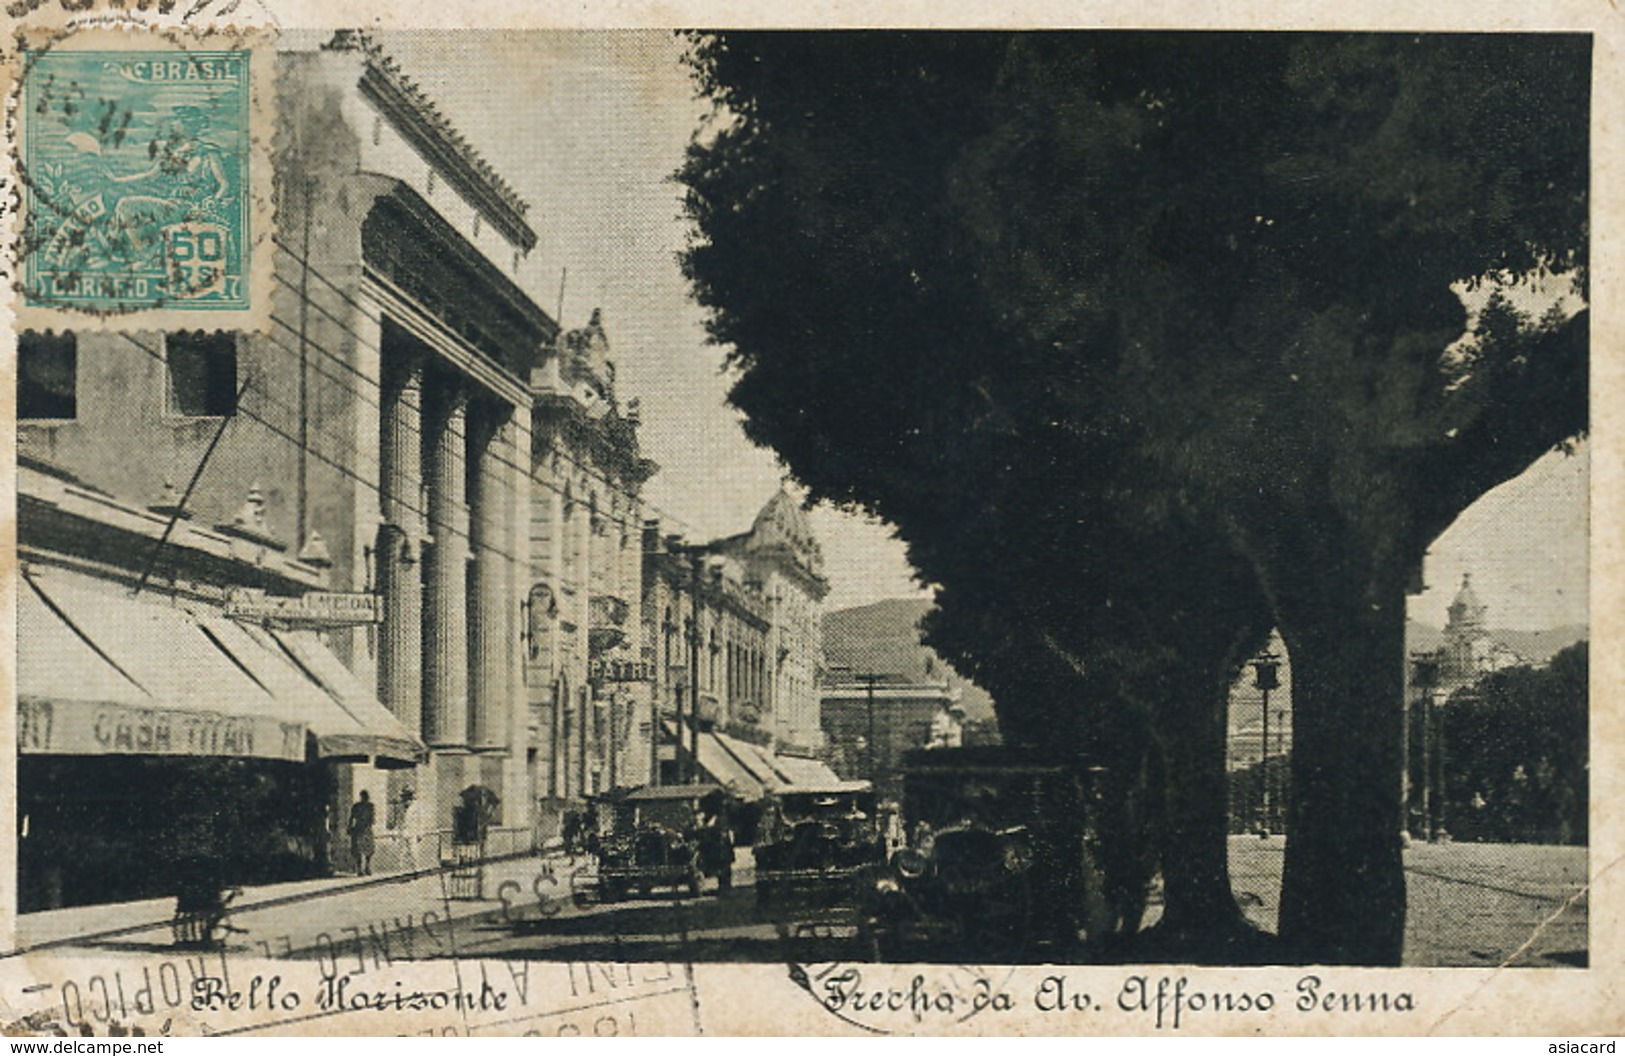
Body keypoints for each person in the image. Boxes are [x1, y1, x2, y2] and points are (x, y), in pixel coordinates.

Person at [349, 791, 376, 876]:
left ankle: (367, 867)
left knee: (369, 849)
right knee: (358, 850)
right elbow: (352, 817)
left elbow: (372, 818)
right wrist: (350, 827)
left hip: (365, 829)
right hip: (360, 829)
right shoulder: (357, 806)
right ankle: (360, 869)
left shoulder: (370, 806)